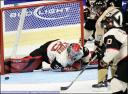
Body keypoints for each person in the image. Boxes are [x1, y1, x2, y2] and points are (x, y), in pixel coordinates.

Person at [4, 39, 89, 73]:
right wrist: (72, 68)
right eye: (70, 53)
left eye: (74, 54)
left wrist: (85, 63)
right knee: (33, 61)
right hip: (45, 51)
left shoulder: (82, 50)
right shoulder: (62, 60)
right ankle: (9, 64)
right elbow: (53, 67)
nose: (71, 55)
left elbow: (86, 52)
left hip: (56, 42)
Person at [91, 0, 124, 88]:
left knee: (103, 56)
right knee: (116, 58)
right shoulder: (116, 8)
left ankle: (102, 80)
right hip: (123, 37)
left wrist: (97, 47)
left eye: (96, 9)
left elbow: (99, 35)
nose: (96, 12)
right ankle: (116, 78)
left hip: (113, 37)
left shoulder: (100, 20)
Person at [95, 7, 128, 94]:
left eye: (109, 20)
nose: (106, 22)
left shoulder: (112, 32)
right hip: (124, 62)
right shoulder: (122, 31)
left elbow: (113, 51)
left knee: (116, 84)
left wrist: (104, 60)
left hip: (126, 62)